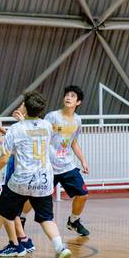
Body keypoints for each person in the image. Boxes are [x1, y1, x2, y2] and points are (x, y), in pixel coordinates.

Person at [0, 91, 72, 258]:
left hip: (22, 181)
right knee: (46, 218)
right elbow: (31, 134)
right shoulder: (47, 126)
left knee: (0, 214)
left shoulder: (16, 129)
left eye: (22, 104)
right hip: (43, 180)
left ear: (25, 108)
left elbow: (5, 157)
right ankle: (61, 248)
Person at [0, 108, 36, 257]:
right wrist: (2, 130)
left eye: (23, 106)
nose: (19, 109)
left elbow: (9, 149)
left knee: (6, 211)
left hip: (17, 175)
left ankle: (15, 245)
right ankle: (24, 240)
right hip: (29, 176)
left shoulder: (25, 128)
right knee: (14, 213)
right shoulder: (37, 128)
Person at [45, 85, 90, 236]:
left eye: (72, 96)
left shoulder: (77, 120)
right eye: (67, 95)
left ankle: (73, 221)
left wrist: (83, 160)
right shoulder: (52, 116)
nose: (68, 97)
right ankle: (22, 219)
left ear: (78, 102)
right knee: (34, 196)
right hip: (49, 165)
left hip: (67, 165)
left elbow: (73, 142)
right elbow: (42, 137)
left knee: (83, 194)